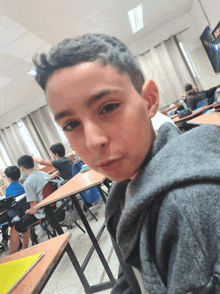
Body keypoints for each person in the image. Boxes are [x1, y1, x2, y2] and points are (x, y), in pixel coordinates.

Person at [33, 34, 220, 293]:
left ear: (150, 100)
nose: (94, 140)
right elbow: (132, 277)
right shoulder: (123, 190)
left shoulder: (187, 209)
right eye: (71, 125)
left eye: (108, 107)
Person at [9, 155, 51, 254]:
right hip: (52, 206)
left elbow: (34, 209)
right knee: (24, 221)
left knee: (15, 228)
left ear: (22, 168)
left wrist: (27, 211)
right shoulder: (44, 174)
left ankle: (13, 257)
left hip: (42, 212)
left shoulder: (28, 182)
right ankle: (24, 249)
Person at [0, 166, 25, 250]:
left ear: (8, 178)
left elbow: (9, 203)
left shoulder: (8, 190)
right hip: (27, 211)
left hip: (17, 217)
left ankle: (17, 243)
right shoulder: (23, 184)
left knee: (8, 218)